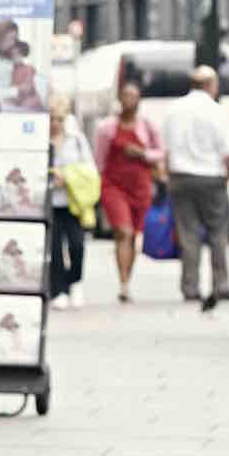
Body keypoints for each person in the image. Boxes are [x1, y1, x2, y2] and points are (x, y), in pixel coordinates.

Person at [166, 65, 229, 309]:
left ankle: (190, 287)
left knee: (188, 235)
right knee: (218, 233)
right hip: (211, 177)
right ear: (210, 85)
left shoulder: (173, 110)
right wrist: (226, 178)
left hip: (180, 177)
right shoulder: (216, 111)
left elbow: (167, 150)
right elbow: (227, 152)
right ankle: (221, 284)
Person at [94, 79, 162, 302]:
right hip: (114, 186)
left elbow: (160, 152)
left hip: (140, 186)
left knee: (133, 236)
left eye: (133, 97)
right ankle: (123, 283)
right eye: (125, 96)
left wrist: (143, 154)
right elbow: (100, 159)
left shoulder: (147, 126)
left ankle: (127, 280)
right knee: (123, 231)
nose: (129, 101)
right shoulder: (106, 129)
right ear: (119, 100)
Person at [45, 93, 95, 307]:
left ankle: (75, 281)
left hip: (73, 201)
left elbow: (89, 169)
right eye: (52, 118)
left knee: (77, 245)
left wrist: (68, 176)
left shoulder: (76, 140)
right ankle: (59, 290)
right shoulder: (41, 140)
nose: (55, 123)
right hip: (49, 202)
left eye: (59, 119)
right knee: (54, 248)